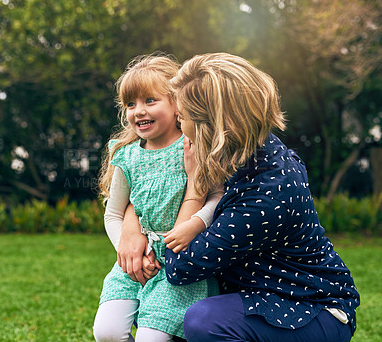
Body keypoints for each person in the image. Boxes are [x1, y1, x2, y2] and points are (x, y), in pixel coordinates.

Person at [119, 53, 360, 341]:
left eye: (182, 117)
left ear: (212, 125)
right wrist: (131, 224)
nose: (178, 124)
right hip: (260, 293)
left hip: (309, 308)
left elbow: (179, 266)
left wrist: (195, 187)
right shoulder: (247, 149)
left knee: (203, 321)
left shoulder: (264, 197)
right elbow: (151, 191)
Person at [93, 53, 219, 342]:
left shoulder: (194, 147)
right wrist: (130, 253)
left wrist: (197, 223)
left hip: (179, 264)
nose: (139, 110)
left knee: (152, 337)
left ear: (177, 103)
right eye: (130, 104)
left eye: (150, 100)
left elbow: (215, 197)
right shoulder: (126, 155)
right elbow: (114, 213)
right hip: (134, 262)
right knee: (107, 332)